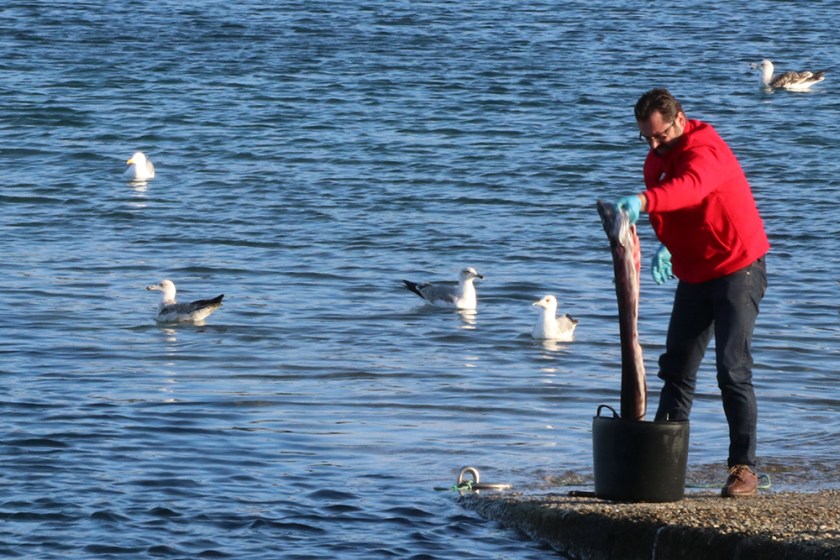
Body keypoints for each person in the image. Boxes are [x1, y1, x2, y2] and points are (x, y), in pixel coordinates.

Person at [615, 88, 769, 498]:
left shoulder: (706, 151)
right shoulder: (657, 159)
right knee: (677, 368)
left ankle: (744, 469)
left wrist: (644, 202)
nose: (653, 145)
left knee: (732, 370)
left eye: (660, 136)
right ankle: (661, 465)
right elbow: (677, 209)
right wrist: (670, 243)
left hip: (739, 268)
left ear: (680, 120)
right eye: (645, 138)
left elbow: (690, 189)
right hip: (695, 271)